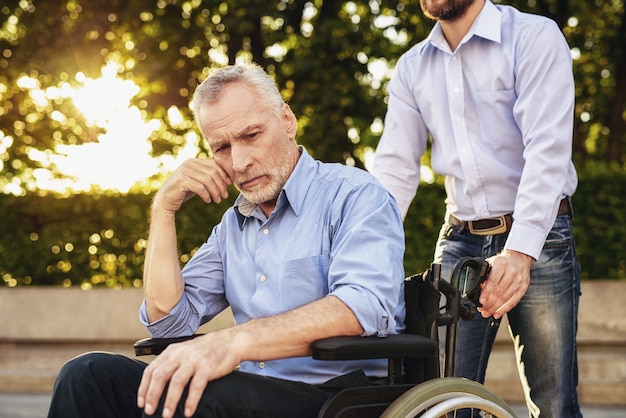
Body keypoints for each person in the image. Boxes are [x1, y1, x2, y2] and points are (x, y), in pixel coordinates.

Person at [47, 63, 406, 418]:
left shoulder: (355, 194)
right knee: (87, 376)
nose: (238, 162)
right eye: (221, 147)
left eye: (251, 135)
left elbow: (364, 305)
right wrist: (163, 209)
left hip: (335, 398)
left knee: (197, 395)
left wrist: (234, 342)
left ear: (286, 120)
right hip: (248, 394)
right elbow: (168, 322)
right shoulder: (233, 226)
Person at [371, 1, 581, 417]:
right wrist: (363, 251)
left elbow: (548, 150)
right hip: (459, 240)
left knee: (555, 405)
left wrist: (520, 252)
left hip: (540, 237)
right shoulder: (413, 67)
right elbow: (395, 169)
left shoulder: (533, 37)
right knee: (441, 402)